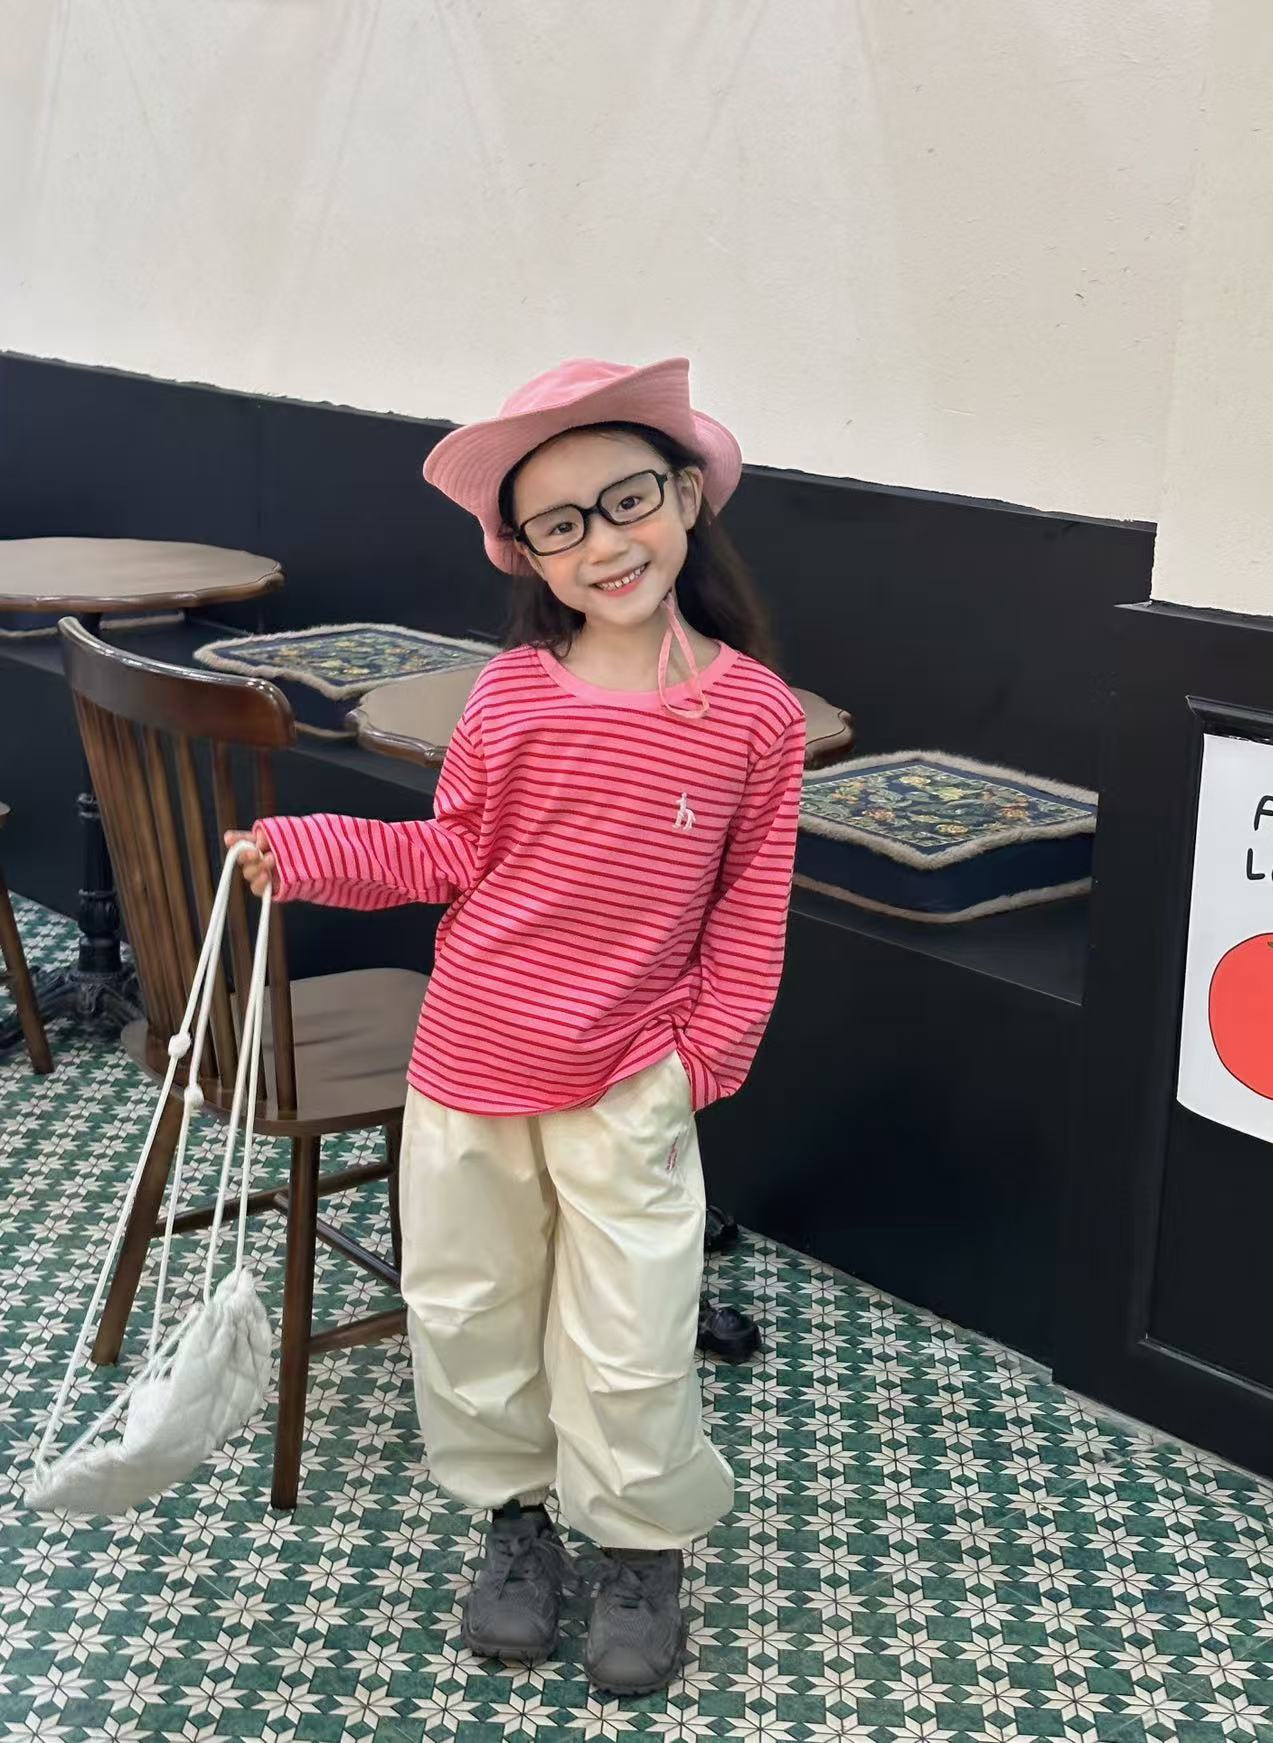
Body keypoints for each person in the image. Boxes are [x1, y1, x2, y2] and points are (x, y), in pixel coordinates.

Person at [226, 357, 805, 1698]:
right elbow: (453, 851)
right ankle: (516, 1519)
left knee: (633, 1329)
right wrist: (305, 850)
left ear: (687, 499)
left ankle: (642, 1545)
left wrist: (702, 1059)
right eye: (563, 523)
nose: (605, 542)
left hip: (632, 1077)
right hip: (472, 1063)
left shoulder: (754, 719)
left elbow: (751, 910)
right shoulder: (512, 696)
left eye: (628, 500)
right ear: (528, 554)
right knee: (473, 1307)